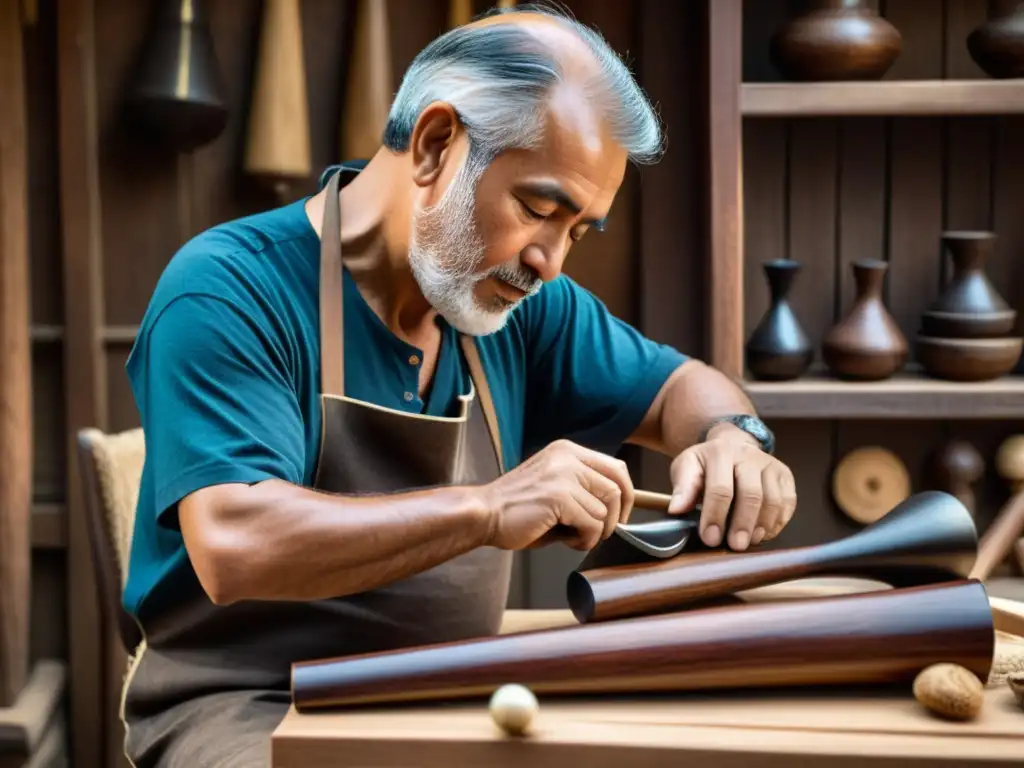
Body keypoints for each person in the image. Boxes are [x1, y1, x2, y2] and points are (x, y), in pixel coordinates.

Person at [118, 4, 798, 766]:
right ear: (438, 144)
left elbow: (682, 389)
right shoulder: (230, 288)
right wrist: (489, 506)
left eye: (577, 230)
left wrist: (735, 437)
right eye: (539, 209)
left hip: (454, 689)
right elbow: (235, 542)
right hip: (250, 705)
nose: (551, 262)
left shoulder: (518, 306)